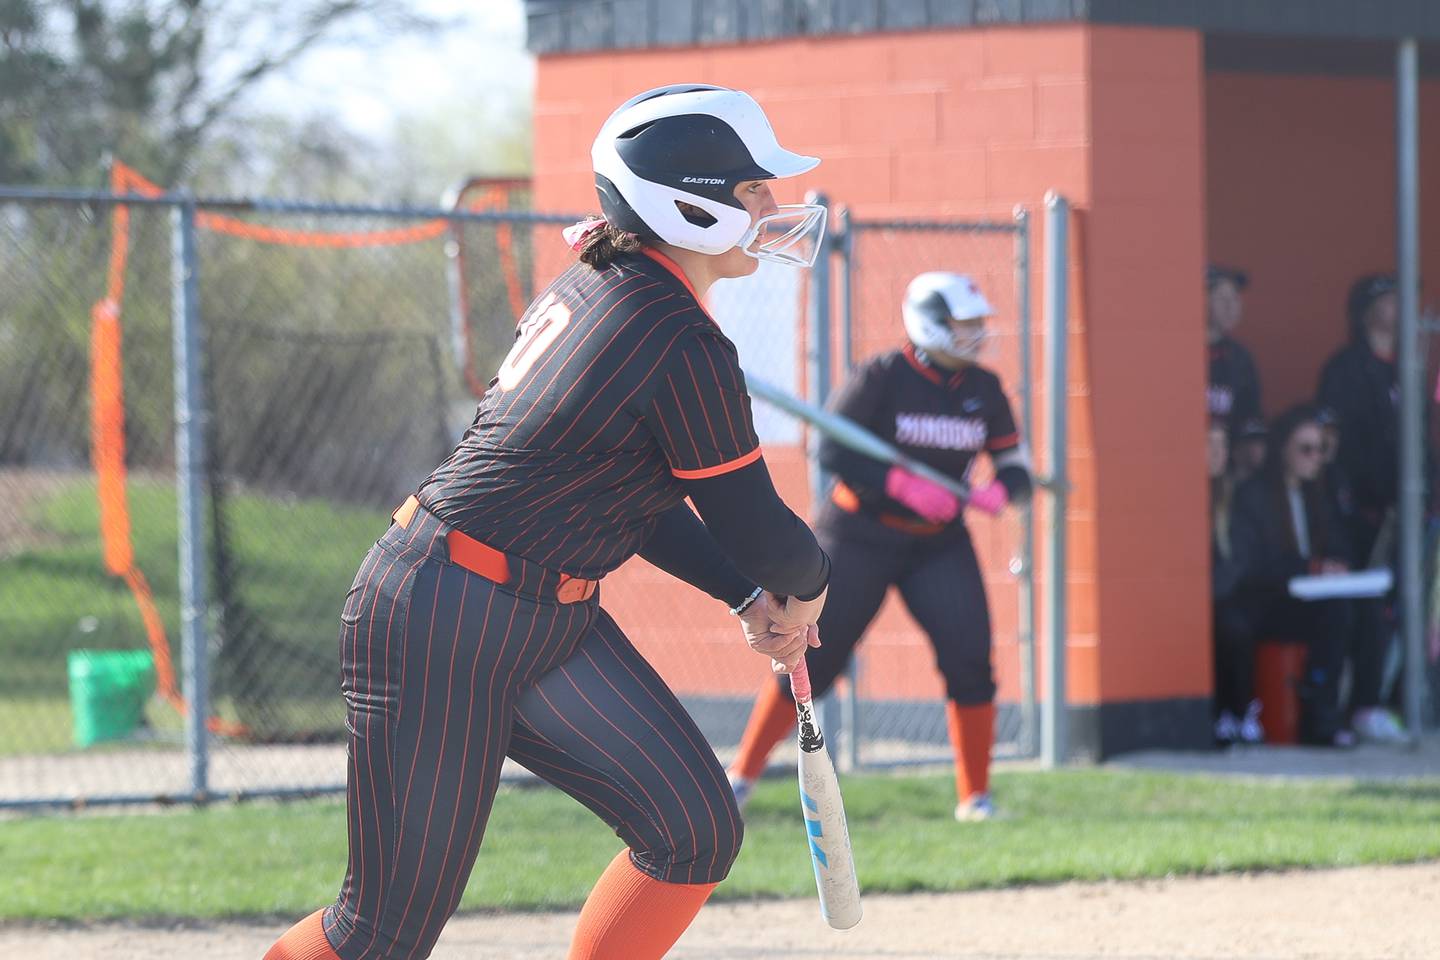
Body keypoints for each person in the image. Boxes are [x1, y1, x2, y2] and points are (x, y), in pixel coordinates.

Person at [264, 83, 836, 960]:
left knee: (691, 830)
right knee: (381, 933)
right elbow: (760, 529)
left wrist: (749, 593)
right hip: (443, 615)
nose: (769, 204)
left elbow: (630, 502)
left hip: (540, 614)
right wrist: (807, 587)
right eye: (751, 187)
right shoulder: (669, 332)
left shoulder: (614, 287)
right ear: (686, 202)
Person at [725, 271, 1033, 822]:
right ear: (930, 323)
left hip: (937, 542)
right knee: (812, 658)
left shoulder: (984, 388)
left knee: (969, 657)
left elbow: (1017, 468)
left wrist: (1000, 491)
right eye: (962, 324)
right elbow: (831, 447)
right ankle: (741, 777)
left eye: (977, 324)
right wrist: (898, 484)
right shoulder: (883, 376)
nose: (975, 335)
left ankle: (976, 797)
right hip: (859, 533)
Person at [1225, 405, 1354, 747]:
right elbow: (1253, 565)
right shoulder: (1253, 496)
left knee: (1349, 612)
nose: (1315, 458)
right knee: (1332, 614)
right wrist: (1309, 568)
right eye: (1305, 449)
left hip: (1309, 602)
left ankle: (1337, 712)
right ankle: (1316, 718)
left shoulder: (1318, 496)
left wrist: (1335, 564)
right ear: (1283, 449)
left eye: (1320, 450)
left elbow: (1339, 544)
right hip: (1268, 604)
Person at [1317, 275, 1410, 743]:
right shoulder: (1346, 369)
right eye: (1388, 299)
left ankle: (1392, 699)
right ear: (1366, 310)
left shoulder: (1408, 366)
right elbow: (1339, 450)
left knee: (1402, 609)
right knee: (1363, 604)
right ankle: (1357, 703)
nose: (1399, 307)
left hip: (1406, 511)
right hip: (1361, 516)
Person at [1209, 418, 1260, 746]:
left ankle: (1239, 713)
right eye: (1209, 445)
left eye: (1222, 445)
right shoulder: (1181, 493)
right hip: (1188, 600)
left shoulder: (1231, 496)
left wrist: (1211, 593)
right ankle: (1218, 713)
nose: (1217, 453)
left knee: (1235, 627)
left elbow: (1239, 558)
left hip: (1223, 595)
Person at [1207, 264, 1264, 435]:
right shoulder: (1176, 354)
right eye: (1222, 299)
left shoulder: (1241, 358)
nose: (1231, 307)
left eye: (1235, 299)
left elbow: (1251, 417)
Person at [1231, 415, 1268, 484]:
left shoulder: (1267, 483)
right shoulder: (1224, 484)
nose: (1260, 448)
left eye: (1262, 442)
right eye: (1254, 442)